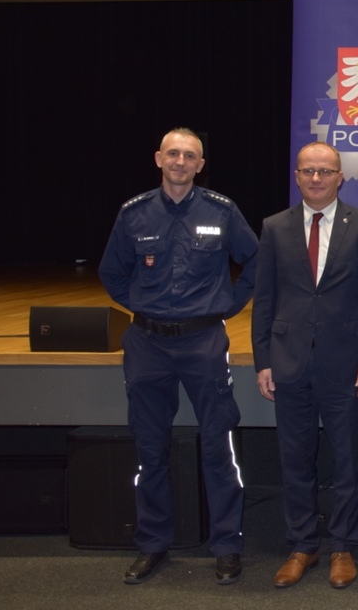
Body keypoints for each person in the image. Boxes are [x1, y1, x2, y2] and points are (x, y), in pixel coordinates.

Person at [99, 127, 258, 586]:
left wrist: (225, 305)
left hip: (203, 343)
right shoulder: (134, 213)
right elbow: (112, 273)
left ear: (200, 165)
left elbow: (255, 261)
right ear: (158, 158)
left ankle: (227, 545)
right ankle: (152, 543)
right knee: (150, 449)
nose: (181, 162)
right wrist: (144, 306)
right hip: (147, 344)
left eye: (189, 156)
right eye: (173, 154)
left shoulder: (222, 211)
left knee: (218, 447)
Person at [251, 142, 358, 589]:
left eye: (325, 171)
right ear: (296, 176)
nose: (316, 178)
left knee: (348, 459)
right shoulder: (274, 227)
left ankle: (343, 546)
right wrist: (263, 360)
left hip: (346, 364)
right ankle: (302, 545)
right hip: (288, 361)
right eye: (308, 170)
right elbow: (265, 298)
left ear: (340, 177)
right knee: (295, 459)